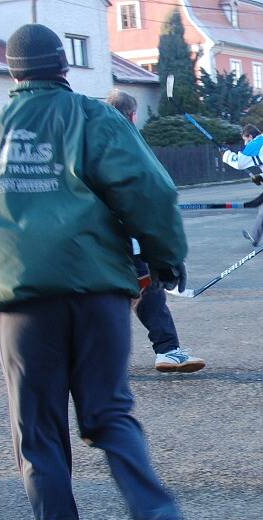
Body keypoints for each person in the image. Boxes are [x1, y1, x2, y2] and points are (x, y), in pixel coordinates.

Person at [0, 24, 187, 520]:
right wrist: (163, 258)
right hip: (96, 291)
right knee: (108, 411)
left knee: (37, 431)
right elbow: (148, 188)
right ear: (63, 66)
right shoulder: (93, 116)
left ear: (13, 71)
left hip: (22, 304)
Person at [105, 89, 205, 373]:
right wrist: (168, 253)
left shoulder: (86, 141)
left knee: (113, 296)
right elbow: (154, 195)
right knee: (147, 289)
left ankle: (160, 351)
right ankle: (168, 349)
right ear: (133, 115)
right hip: (127, 235)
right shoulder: (131, 145)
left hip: (92, 240)